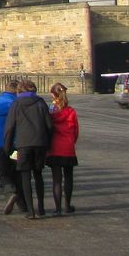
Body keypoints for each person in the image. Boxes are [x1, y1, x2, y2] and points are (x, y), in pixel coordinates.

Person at [3, 80, 53, 219]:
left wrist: (7, 148)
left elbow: (10, 127)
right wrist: (48, 143)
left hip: (23, 144)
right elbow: (49, 125)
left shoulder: (16, 104)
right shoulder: (40, 102)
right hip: (40, 142)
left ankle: (30, 210)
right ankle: (41, 207)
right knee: (38, 175)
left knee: (25, 177)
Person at [47, 82, 80, 215]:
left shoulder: (51, 110)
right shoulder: (71, 111)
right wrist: (71, 142)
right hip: (68, 147)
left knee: (56, 179)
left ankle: (58, 208)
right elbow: (76, 131)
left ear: (53, 95)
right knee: (68, 177)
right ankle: (67, 205)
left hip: (54, 147)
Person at [0, 81, 22, 209]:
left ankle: (10, 191)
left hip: (0, 142)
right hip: (16, 143)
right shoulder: (17, 103)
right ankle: (23, 204)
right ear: (16, 90)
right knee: (18, 172)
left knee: (3, 171)